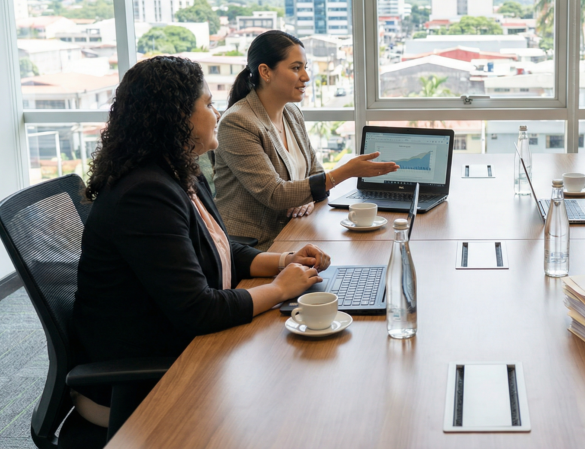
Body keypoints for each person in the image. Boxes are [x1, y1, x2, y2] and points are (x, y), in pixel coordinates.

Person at [73, 55, 329, 424]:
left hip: (187, 347)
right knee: (293, 401)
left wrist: (283, 263)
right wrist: (278, 290)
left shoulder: (179, 173)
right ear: (177, 117)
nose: (217, 114)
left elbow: (220, 249)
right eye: (208, 104)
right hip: (140, 380)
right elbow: (198, 310)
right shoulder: (144, 194)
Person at [213, 30, 397, 250]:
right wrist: (346, 171)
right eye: (295, 68)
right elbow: (275, 194)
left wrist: (307, 197)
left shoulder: (292, 113)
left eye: (305, 68)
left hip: (296, 231)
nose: (306, 77)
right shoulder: (238, 122)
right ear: (265, 71)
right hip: (255, 246)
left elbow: (314, 174)